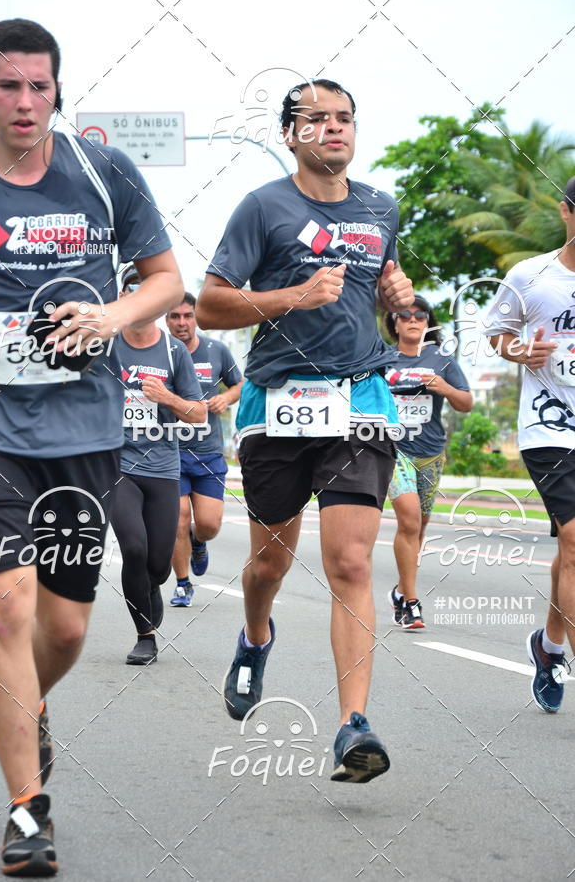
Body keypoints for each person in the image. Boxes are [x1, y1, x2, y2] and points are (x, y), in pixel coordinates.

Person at [0, 20, 182, 876]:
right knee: (5, 610)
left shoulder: (105, 172)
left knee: (62, 629)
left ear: (58, 90)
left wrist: (110, 316)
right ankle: (28, 813)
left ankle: (27, 709)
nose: (26, 101)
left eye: (40, 86)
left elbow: (165, 279)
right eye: (9, 86)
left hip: (85, 433)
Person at [196, 78, 413, 783]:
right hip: (279, 400)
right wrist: (294, 295)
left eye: (344, 117)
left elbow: (381, 294)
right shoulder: (263, 207)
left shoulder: (381, 208)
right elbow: (210, 304)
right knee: (270, 564)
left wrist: (397, 298)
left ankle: (354, 725)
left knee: (351, 563)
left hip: (361, 398)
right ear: (290, 135)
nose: (334, 128)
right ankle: (256, 636)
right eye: (317, 119)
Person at [485, 177, 575, 714]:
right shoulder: (530, 275)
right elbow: (496, 333)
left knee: (571, 550)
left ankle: (549, 647)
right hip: (550, 430)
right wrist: (520, 350)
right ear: (566, 212)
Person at [111, 269, 205, 662]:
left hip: (163, 468)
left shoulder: (173, 352)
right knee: (134, 548)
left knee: (158, 565)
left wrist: (167, 397)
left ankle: (151, 586)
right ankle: (145, 636)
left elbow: (198, 413)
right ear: (123, 295)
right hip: (116, 467)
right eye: (133, 289)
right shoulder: (106, 346)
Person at [385, 296, 472, 629]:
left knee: (418, 527)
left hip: (431, 452)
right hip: (394, 451)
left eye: (420, 315)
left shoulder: (441, 359)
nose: (412, 319)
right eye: (404, 315)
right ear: (394, 323)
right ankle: (411, 603)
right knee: (408, 521)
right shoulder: (383, 359)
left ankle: (400, 590)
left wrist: (445, 387)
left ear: (427, 322)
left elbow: (466, 403)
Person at [167, 292, 242, 606]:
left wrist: (226, 398)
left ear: (196, 316)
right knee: (179, 518)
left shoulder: (216, 350)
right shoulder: (158, 352)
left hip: (208, 451)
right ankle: (182, 584)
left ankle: (198, 541)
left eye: (188, 315)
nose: (182, 322)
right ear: (166, 319)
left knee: (209, 524)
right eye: (175, 316)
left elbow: (239, 383)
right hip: (170, 451)